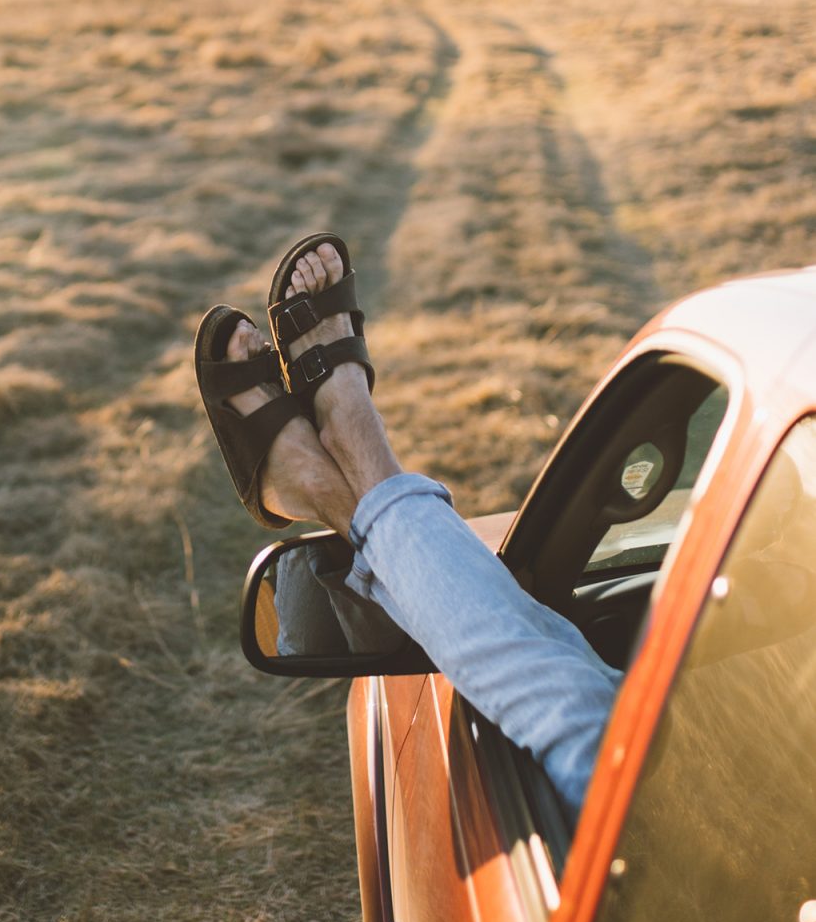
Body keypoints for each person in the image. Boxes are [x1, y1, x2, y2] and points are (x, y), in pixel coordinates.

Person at [195, 235, 623, 823]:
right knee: (585, 677)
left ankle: (337, 460)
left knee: (577, 708)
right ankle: (342, 447)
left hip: (655, 818)